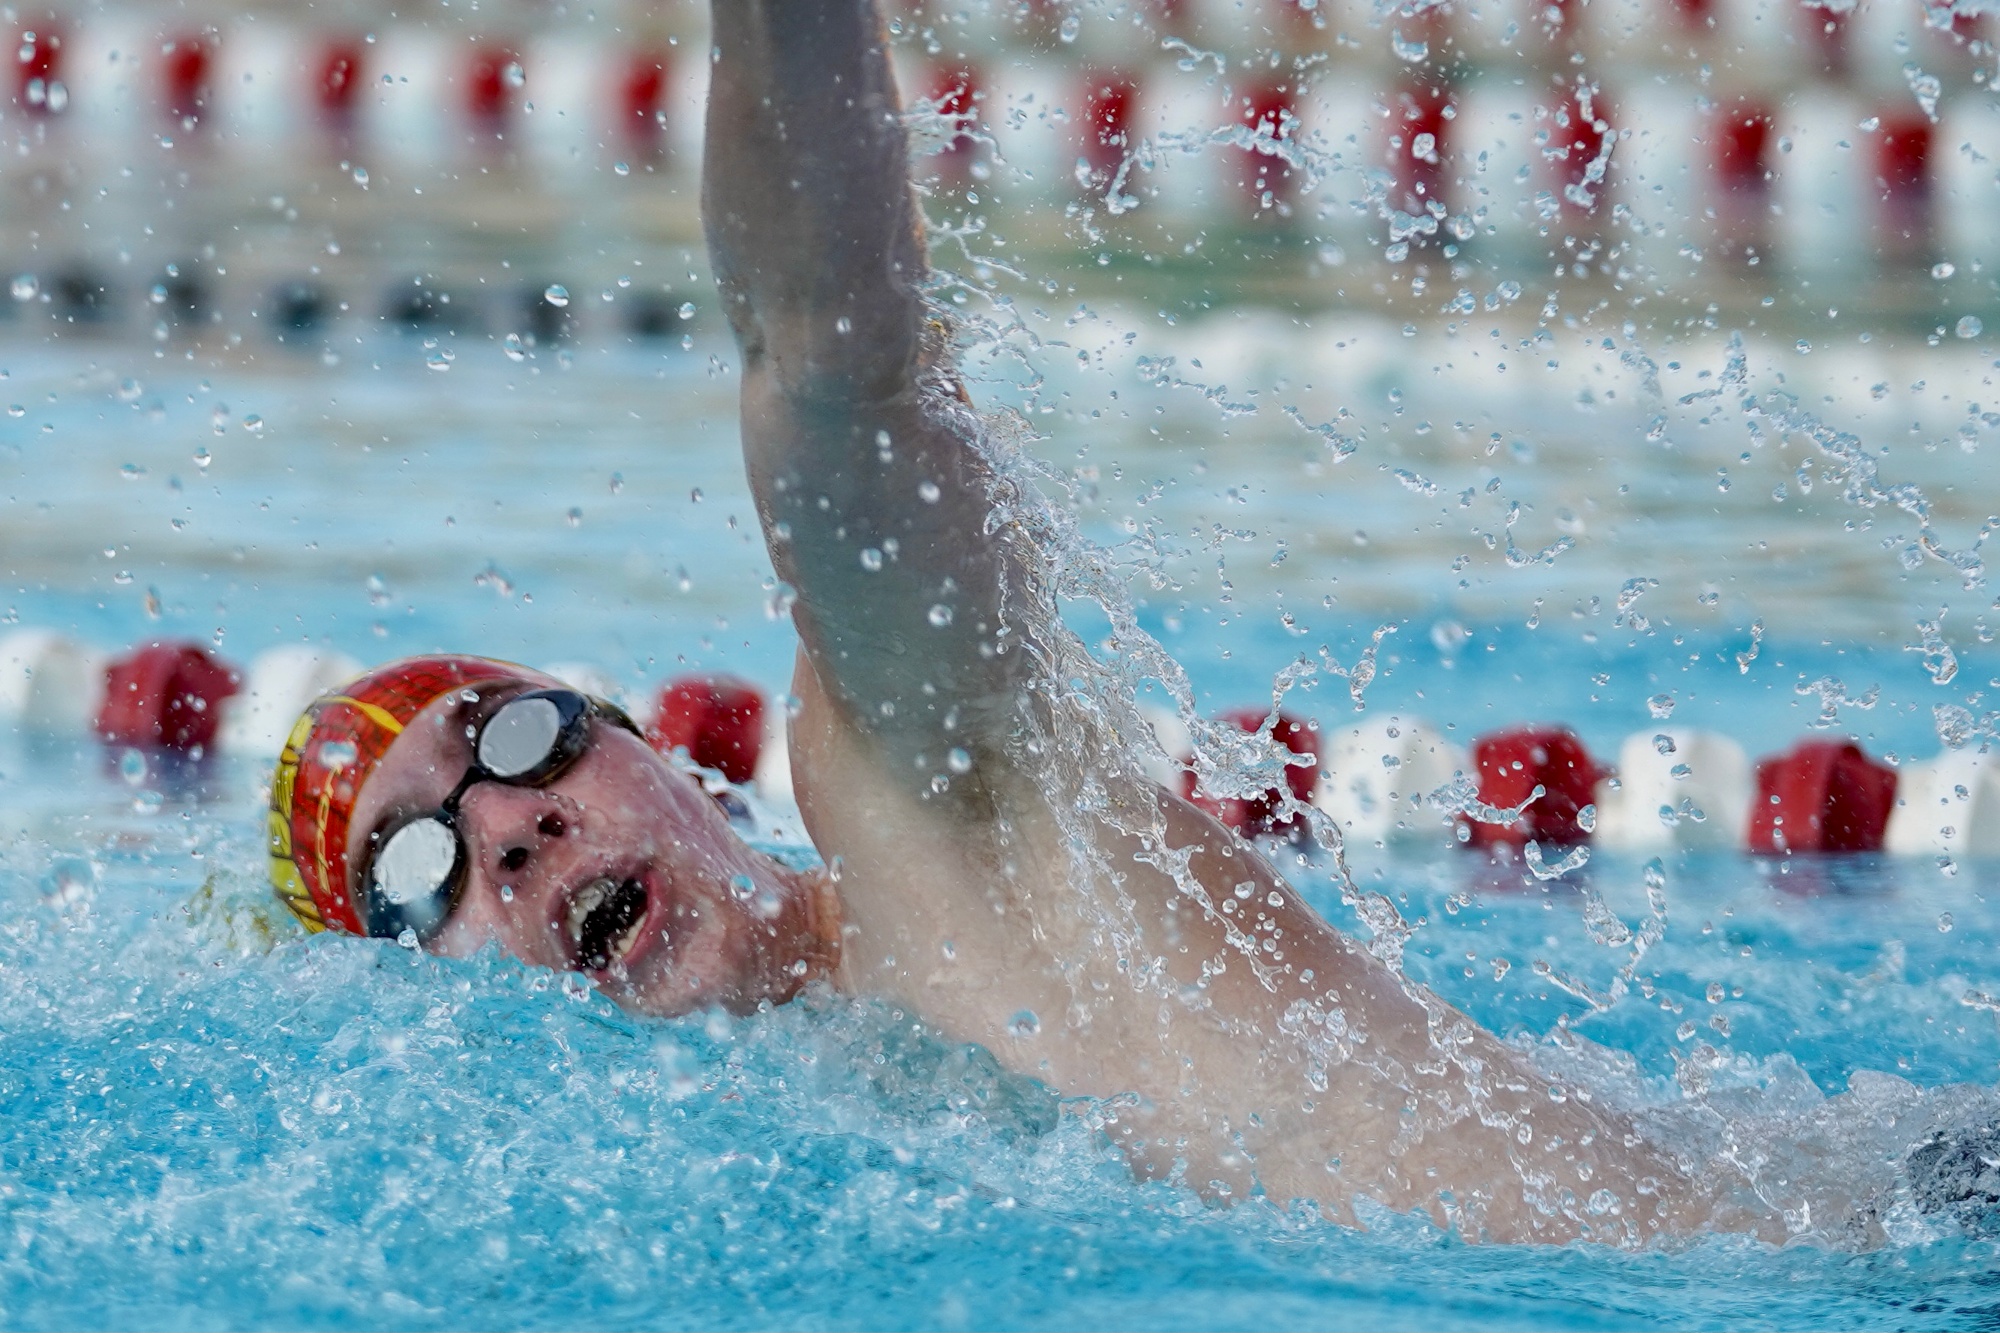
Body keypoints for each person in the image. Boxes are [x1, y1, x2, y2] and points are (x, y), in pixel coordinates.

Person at [267, 0, 1828, 1247]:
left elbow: (834, 367)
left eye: (521, 739)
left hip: (1844, 1242)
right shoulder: (778, 1156)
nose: (513, 833)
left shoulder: (919, 799)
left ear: (658, 747)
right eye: (421, 871)